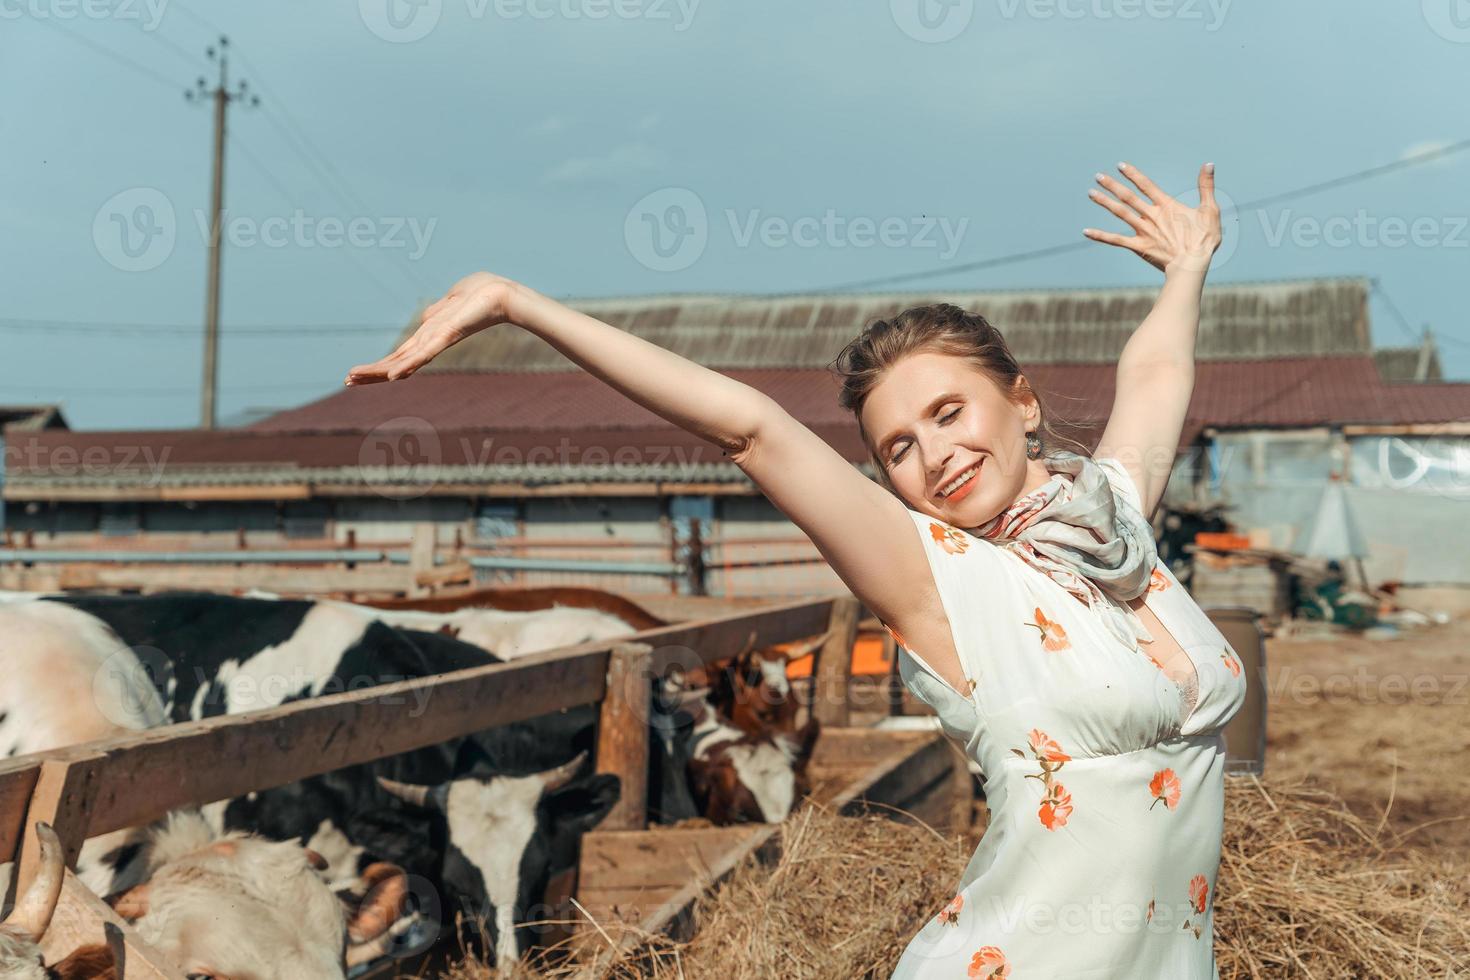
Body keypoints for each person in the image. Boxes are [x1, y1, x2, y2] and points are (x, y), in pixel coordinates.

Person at [346, 162, 1246, 979]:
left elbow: (1158, 371)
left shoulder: (1110, 524)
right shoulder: (938, 579)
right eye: (899, 447)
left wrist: (1187, 267)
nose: (934, 455)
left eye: (948, 412)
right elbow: (751, 428)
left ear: (1022, 404)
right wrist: (519, 305)